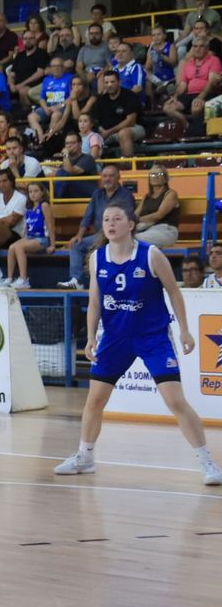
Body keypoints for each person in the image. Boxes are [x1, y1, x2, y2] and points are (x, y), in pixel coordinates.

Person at [55, 205, 222, 486]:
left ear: (130, 225)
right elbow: (95, 300)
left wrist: (184, 330)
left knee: (175, 400)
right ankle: (85, 457)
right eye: (106, 219)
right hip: (115, 338)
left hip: (152, 337)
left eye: (117, 219)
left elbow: (173, 291)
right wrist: (91, 336)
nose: (110, 223)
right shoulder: (97, 257)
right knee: (94, 400)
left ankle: (208, 462)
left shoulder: (151, 254)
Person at [61, 165, 136, 290]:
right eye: (104, 176)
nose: (107, 179)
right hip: (99, 235)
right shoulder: (97, 194)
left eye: (111, 176)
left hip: (118, 236)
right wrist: (79, 235)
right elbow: (88, 216)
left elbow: (128, 219)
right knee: (76, 244)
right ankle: (76, 280)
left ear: (118, 177)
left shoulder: (126, 195)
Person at [3, 181, 54, 289]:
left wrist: (52, 244)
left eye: (36, 191)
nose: (33, 194)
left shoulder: (44, 205)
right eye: (30, 192)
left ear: (42, 193)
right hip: (29, 238)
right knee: (12, 247)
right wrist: (22, 239)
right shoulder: (29, 208)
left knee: (19, 247)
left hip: (41, 239)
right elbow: (26, 228)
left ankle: (24, 279)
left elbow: (50, 225)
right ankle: (9, 278)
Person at [91, 69, 143, 157]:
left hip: (132, 128)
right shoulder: (101, 99)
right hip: (107, 132)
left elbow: (131, 121)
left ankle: (128, 167)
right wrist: (101, 130)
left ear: (119, 82)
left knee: (124, 133)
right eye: (106, 83)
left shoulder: (129, 95)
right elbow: (96, 120)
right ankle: (92, 168)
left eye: (112, 82)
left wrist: (109, 132)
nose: (109, 85)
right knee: (90, 137)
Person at [134, 167, 181, 248]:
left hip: (166, 230)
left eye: (159, 174)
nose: (155, 176)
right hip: (147, 229)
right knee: (121, 237)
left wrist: (138, 219)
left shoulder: (171, 194)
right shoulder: (146, 196)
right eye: (152, 174)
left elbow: (159, 215)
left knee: (133, 239)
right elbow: (135, 214)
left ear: (166, 179)